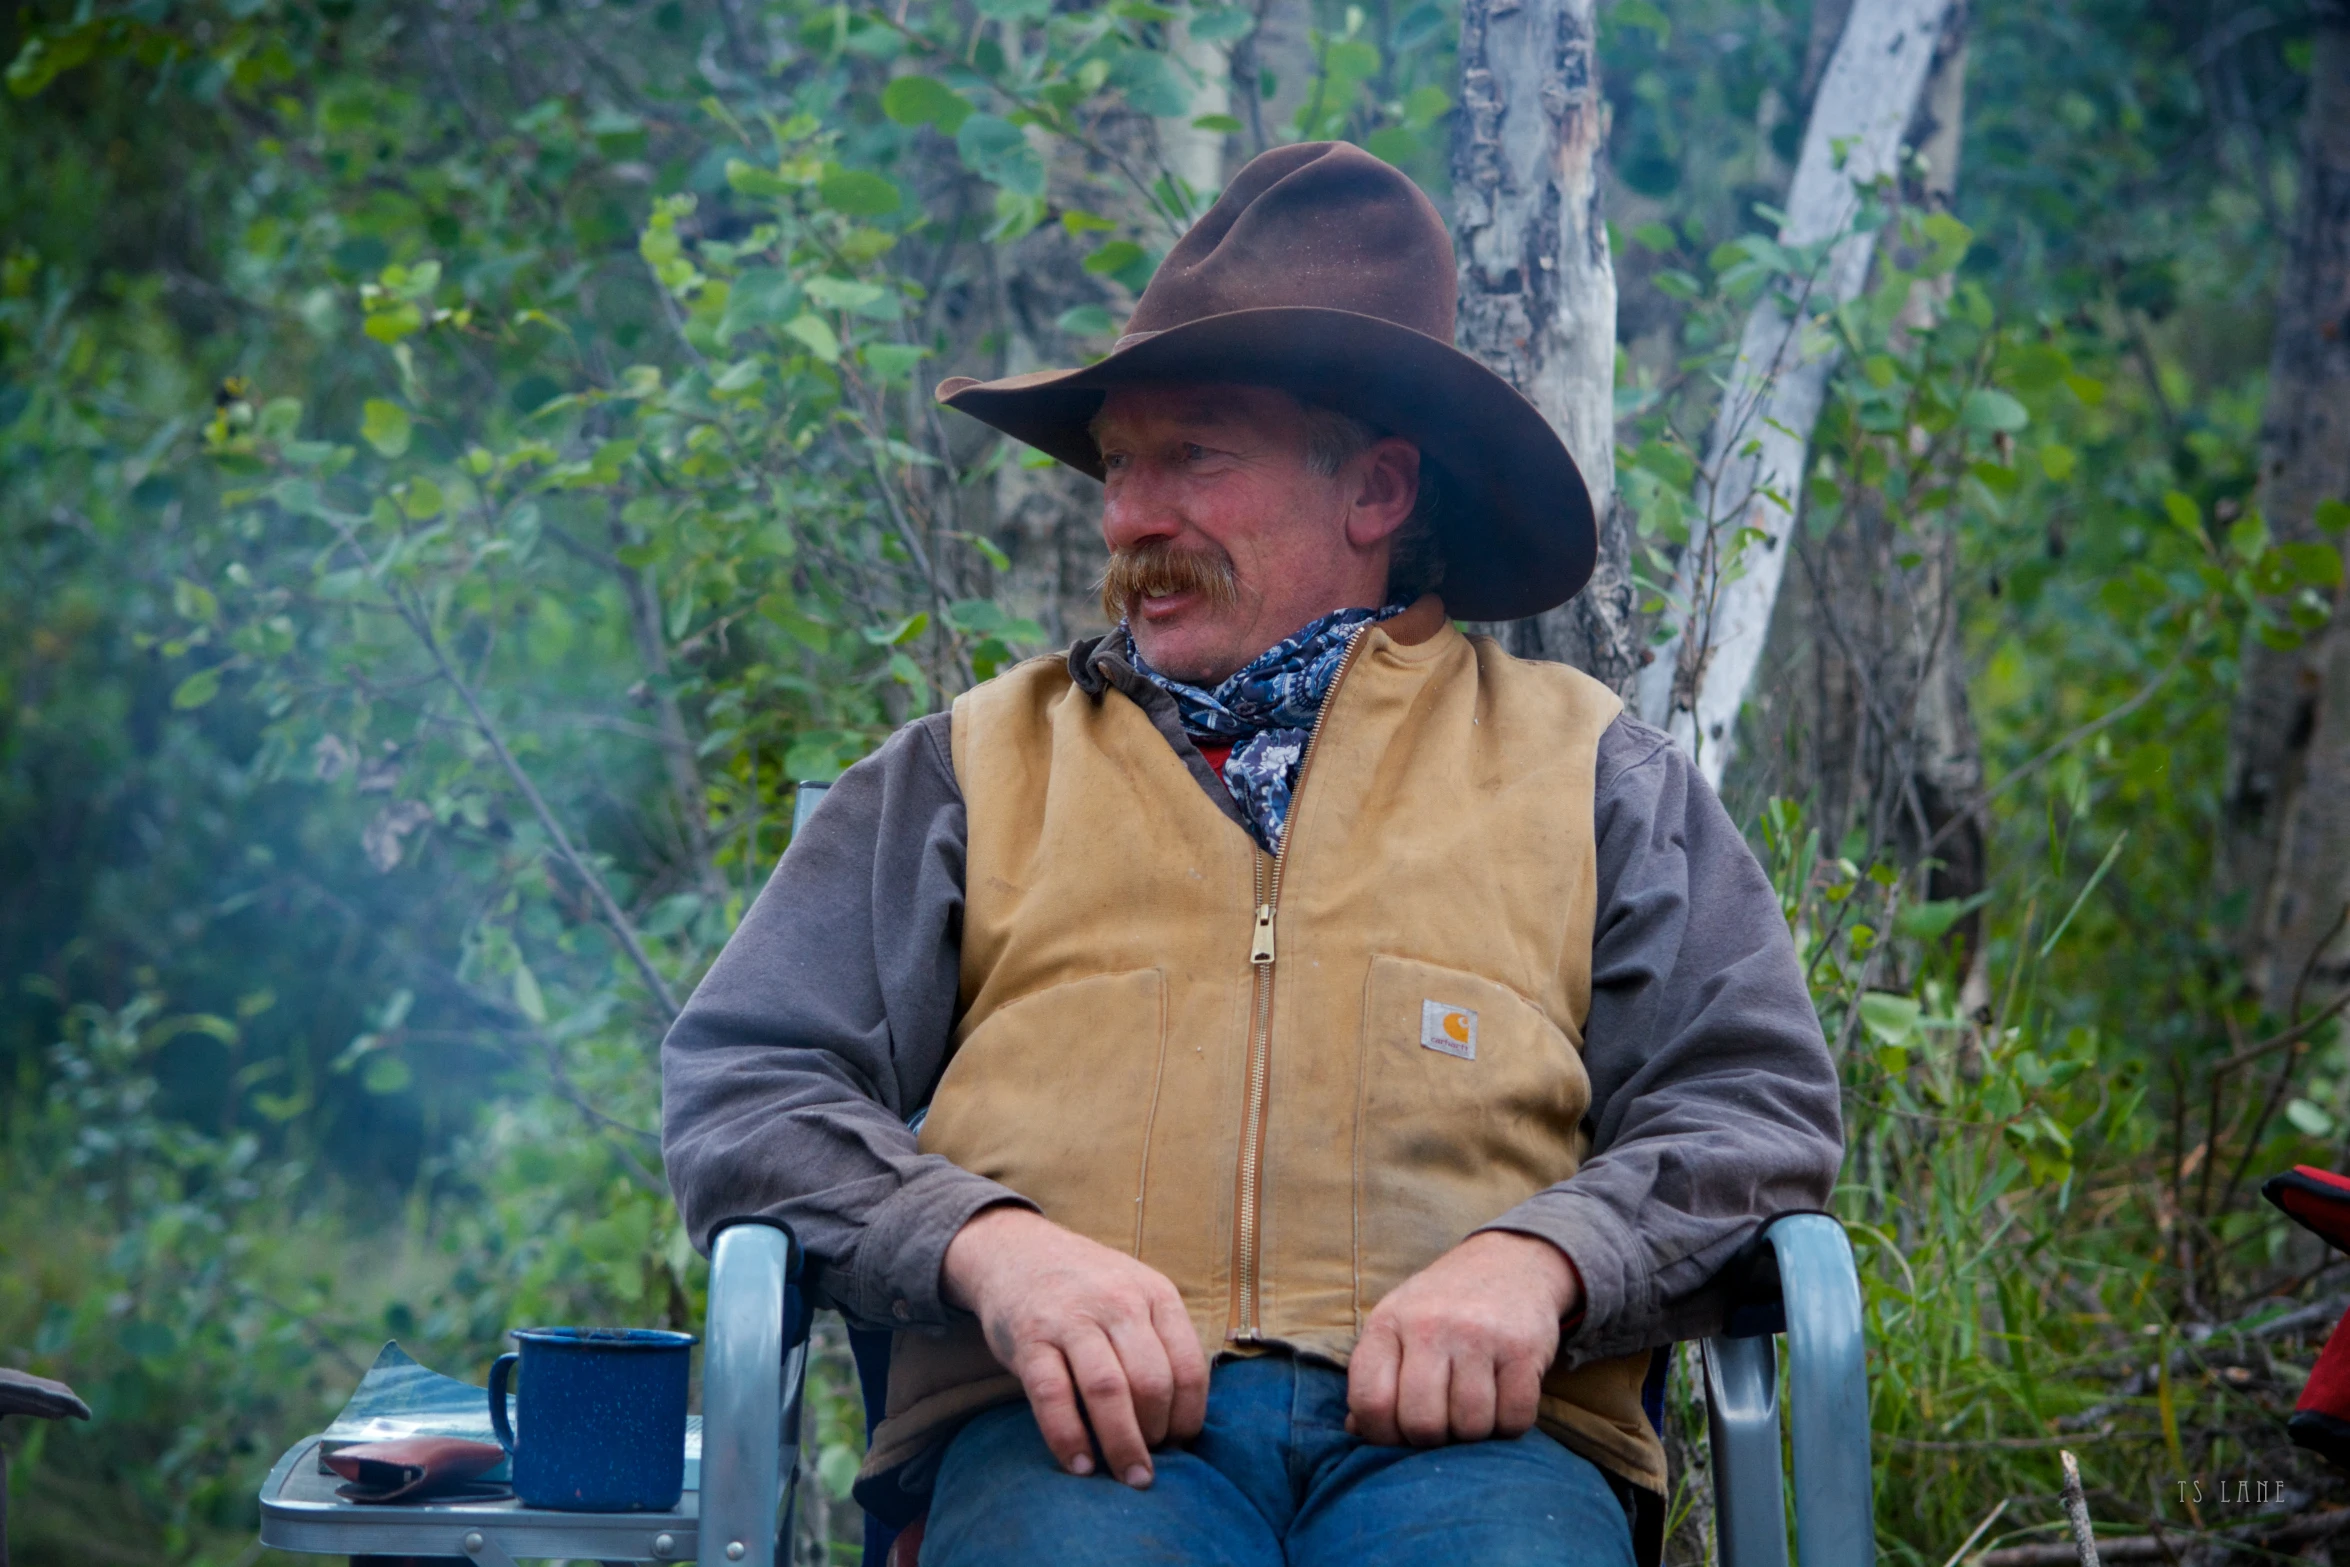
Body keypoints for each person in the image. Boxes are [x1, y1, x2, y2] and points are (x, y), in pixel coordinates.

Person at [662, 141, 1842, 1567]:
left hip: (1477, 1449)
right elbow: (747, 1079)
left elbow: (1751, 1105)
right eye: (1116, 467)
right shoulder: (965, 768)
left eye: (1193, 456)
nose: (1129, 518)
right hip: (1069, 1441)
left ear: (1376, 490)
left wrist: (1543, 1264)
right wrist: (990, 1247)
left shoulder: (1589, 770)